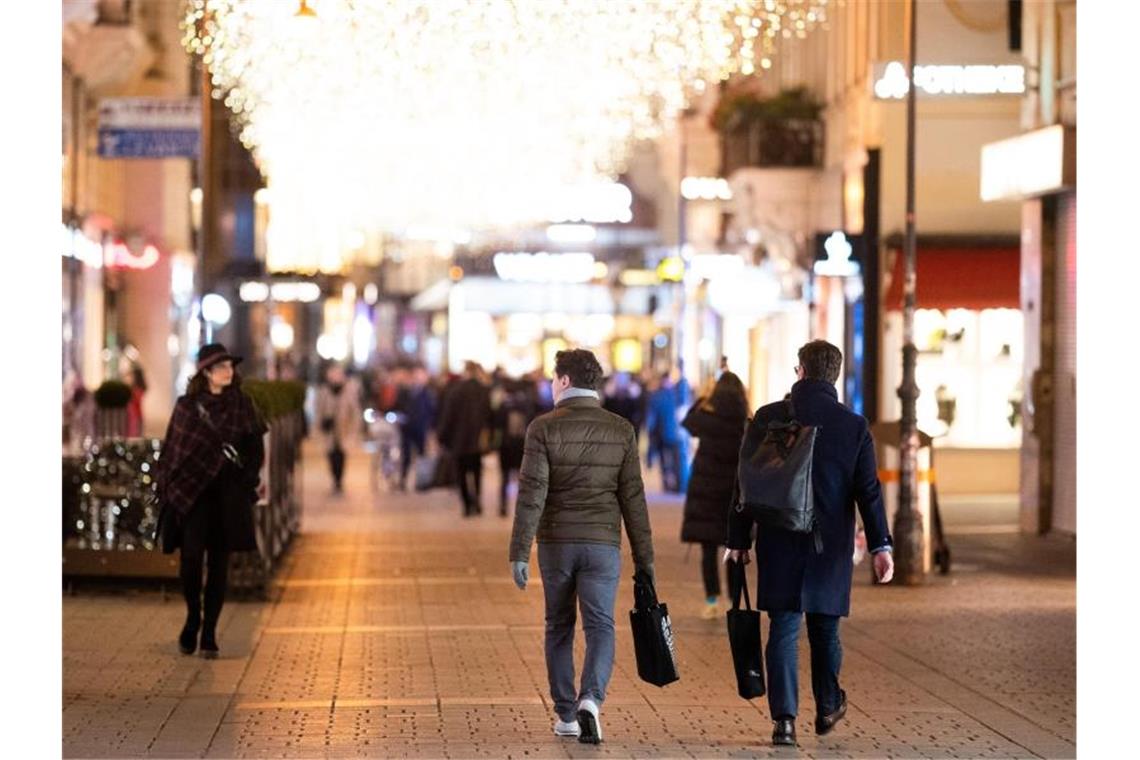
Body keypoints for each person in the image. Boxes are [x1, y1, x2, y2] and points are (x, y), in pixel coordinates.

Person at [726, 340, 894, 747]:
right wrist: (880, 546)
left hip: (779, 537)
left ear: (799, 370)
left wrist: (738, 538)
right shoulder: (853, 426)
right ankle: (827, 704)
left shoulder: (769, 417)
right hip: (829, 544)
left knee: (782, 627)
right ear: (834, 375)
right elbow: (868, 491)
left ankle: (784, 721)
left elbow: (745, 479)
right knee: (824, 629)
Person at [509, 349, 656, 745]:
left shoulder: (542, 428)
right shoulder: (621, 429)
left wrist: (519, 552)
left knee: (558, 625)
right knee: (600, 626)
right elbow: (633, 500)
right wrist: (645, 559)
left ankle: (566, 714)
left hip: (556, 544)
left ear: (565, 381)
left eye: (553, 379)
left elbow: (531, 495)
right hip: (603, 545)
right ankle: (591, 698)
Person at [156, 343, 265, 658]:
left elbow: (255, 447)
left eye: (230, 366)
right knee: (190, 559)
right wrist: (168, 483)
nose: (228, 372)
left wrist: (247, 478)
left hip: (228, 493)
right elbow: (173, 449)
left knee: (219, 562)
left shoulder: (242, 405)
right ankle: (193, 616)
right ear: (205, 373)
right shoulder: (186, 407)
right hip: (193, 494)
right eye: (220, 367)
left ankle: (209, 631)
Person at [680, 371, 749, 620]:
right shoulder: (744, 420)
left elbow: (687, 423)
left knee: (708, 550)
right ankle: (734, 601)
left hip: (706, 491)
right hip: (733, 493)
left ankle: (711, 600)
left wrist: (704, 397)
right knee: (734, 548)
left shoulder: (707, 417)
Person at [437, 361, 492, 516]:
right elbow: (490, 416)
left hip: (458, 440)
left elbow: (448, 416)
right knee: (476, 472)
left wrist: (442, 437)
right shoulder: (484, 390)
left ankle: (467, 505)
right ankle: (477, 501)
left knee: (461, 473)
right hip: (478, 440)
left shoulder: (456, 390)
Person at [492, 376, 537, 517]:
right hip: (522, 445)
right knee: (523, 478)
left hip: (506, 445)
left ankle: (503, 507)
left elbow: (496, 423)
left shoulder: (503, 405)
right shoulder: (526, 405)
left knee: (504, 477)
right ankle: (524, 507)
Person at [315, 364, 361, 495]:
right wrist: (320, 426)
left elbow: (355, 413)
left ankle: (339, 481)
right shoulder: (324, 391)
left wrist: (354, 430)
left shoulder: (349, 391)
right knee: (331, 457)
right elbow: (319, 411)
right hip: (329, 432)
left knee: (341, 456)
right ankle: (335, 479)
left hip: (343, 431)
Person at [395, 365, 435, 492]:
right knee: (406, 455)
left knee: (422, 455)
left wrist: (431, 427)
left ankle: (422, 482)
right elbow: (398, 406)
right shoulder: (405, 392)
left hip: (421, 428)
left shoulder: (428, 393)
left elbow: (432, 411)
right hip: (406, 428)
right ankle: (403, 479)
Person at [646, 372, 684, 492]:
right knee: (674, 461)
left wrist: (651, 433)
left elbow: (651, 418)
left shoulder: (656, 396)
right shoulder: (675, 395)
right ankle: (674, 483)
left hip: (662, 433)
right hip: (673, 434)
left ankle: (667, 482)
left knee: (665, 460)